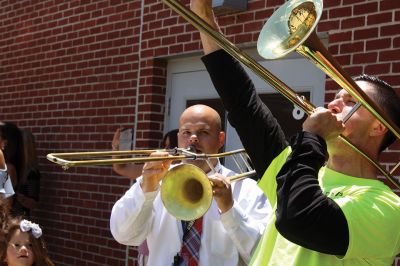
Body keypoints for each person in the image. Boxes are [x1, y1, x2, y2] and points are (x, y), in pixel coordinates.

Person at [190, 0, 400, 265]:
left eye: (350, 101)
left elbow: (298, 219)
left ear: (379, 126)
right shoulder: (295, 164)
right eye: (335, 96)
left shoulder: (387, 207)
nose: (333, 103)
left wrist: (312, 138)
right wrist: (203, 15)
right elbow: (242, 103)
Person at [110, 104, 271, 265]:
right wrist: (145, 190)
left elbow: (264, 253)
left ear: (220, 139)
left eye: (204, 132)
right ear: (179, 137)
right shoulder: (156, 180)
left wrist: (230, 210)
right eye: (187, 132)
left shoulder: (246, 189)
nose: (193, 138)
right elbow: (123, 234)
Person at [111, 128, 179, 265]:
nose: (166, 149)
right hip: (151, 252)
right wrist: (116, 147)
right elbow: (121, 168)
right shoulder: (157, 171)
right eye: (164, 145)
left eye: (170, 146)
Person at [11, 130, 40, 218]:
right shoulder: (12, 166)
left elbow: (33, 203)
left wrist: (16, 195)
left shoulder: (31, 173)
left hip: (18, 220)